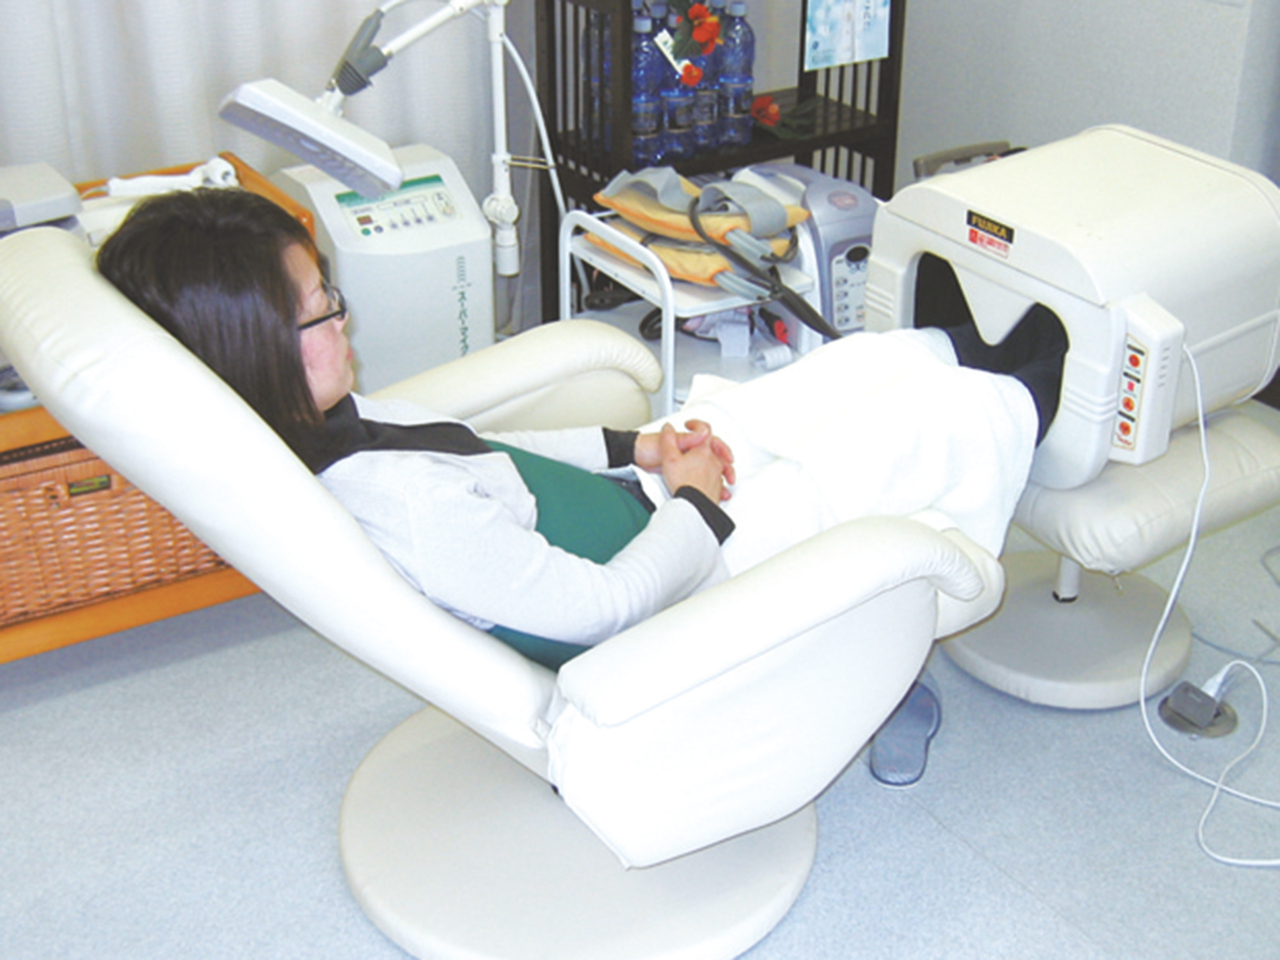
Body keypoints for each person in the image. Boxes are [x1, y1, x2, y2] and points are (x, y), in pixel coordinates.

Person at [96, 187, 1066, 672]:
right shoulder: (404, 510)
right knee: (897, 436)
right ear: (253, 351)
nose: (343, 321)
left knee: (812, 385)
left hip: (639, 507)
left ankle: (958, 347)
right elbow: (603, 612)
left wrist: (640, 450)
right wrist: (696, 506)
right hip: (687, 583)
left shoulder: (329, 425)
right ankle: (1033, 396)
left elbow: (486, 456)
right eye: (320, 310)